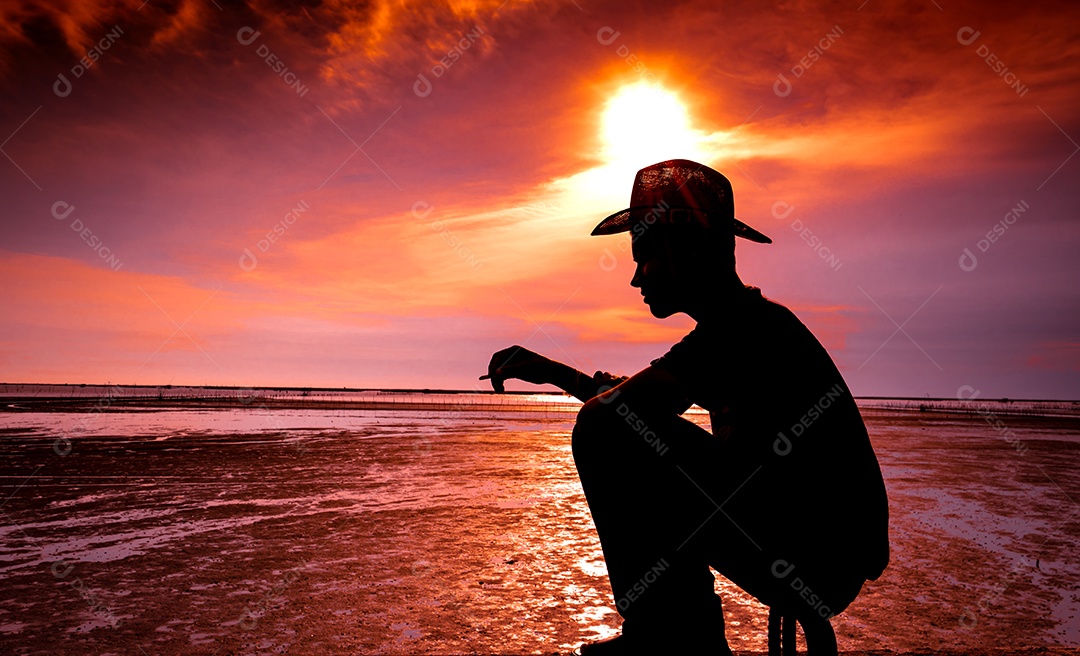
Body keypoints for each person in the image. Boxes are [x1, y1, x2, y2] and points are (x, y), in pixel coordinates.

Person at [485, 160, 889, 655]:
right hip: (809, 543)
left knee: (600, 427)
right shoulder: (739, 324)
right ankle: (678, 630)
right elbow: (635, 401)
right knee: (617, 425)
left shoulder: (742, 329)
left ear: (687, 249)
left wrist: (556, 375)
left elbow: (619, 415)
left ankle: (673, 637)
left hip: (817, 556)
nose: (635, 278)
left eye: (644, 255)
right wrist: (552, 371)